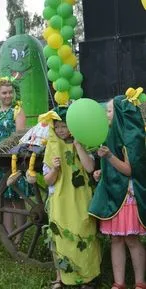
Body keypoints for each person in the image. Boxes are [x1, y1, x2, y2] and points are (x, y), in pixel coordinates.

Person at [89, 90, 146, 289]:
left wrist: (109, 157)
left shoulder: (130, 139)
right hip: (114, 193)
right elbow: (112, 169)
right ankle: (119, 282)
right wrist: (101, 173)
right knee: (116, 239)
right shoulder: (109, 135)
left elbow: (129, 170)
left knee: (131, 239)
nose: (106, 114)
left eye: (110, 110)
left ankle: (140, 282)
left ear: (121, 114)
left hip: (127, 196)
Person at [43, 106, 101, 289]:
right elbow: (48, 181)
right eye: (57, 126)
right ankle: (61, 275)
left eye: (64, 126)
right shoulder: (52, 147)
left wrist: (78, 146)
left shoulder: (81, 142)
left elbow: (90, 167)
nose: (61, 130)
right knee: (61, 235)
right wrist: (55, 169)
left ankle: (87, 276)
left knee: (84, 230)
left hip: (80, 197)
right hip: (60, 200)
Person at [0, 77, 27, 245]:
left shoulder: (17, 111)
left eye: (10, 92)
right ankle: (10, 234)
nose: (8, 95)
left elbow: (19, 135)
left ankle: (20, 235)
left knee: (17, 198)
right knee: (5, 200)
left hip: (13, 158)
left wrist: (7, 151)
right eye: (4, 93)